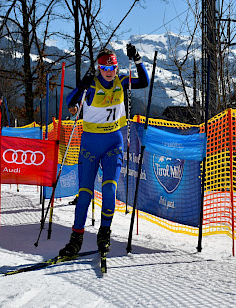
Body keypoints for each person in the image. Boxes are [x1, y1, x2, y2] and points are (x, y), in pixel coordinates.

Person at [59, 44, 149, 257]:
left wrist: (137, 58)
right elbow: (70, 102)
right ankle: (76, 238)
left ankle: (104, 232)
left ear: (117, 68)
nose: (109, 72)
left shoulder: (122, 82)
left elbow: (144, 81)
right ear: (99, 68)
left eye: (112, 68)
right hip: (90, 145)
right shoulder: (91, 85)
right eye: (104, 68)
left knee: (109, 189)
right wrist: (82, 85)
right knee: (84, 195)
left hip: (113, 144)